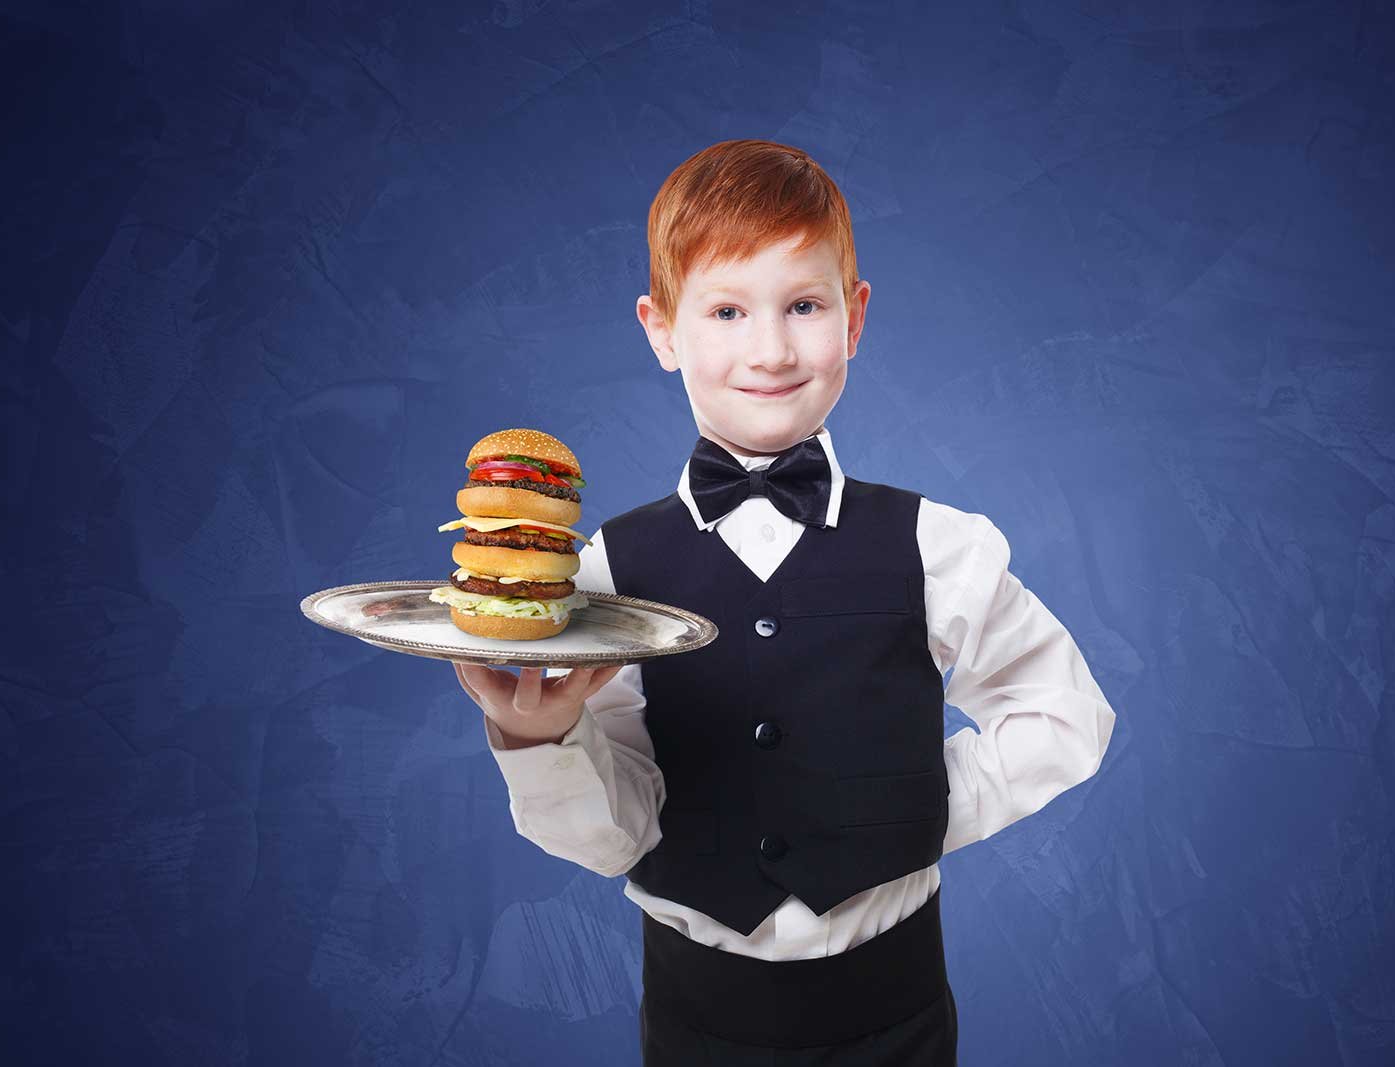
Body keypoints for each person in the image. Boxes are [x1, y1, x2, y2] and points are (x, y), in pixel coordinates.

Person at [453, 139, 1117, 1065]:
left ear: (854, 318)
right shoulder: (605, 574)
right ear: (662, 330)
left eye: (803, 305)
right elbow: (614, 836)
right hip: (695, 1021)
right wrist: (540, 739)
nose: (769, 348)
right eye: (726, 309)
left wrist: (918, 804)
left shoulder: (940, 545)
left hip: (900, 1016)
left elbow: (1066, 712)